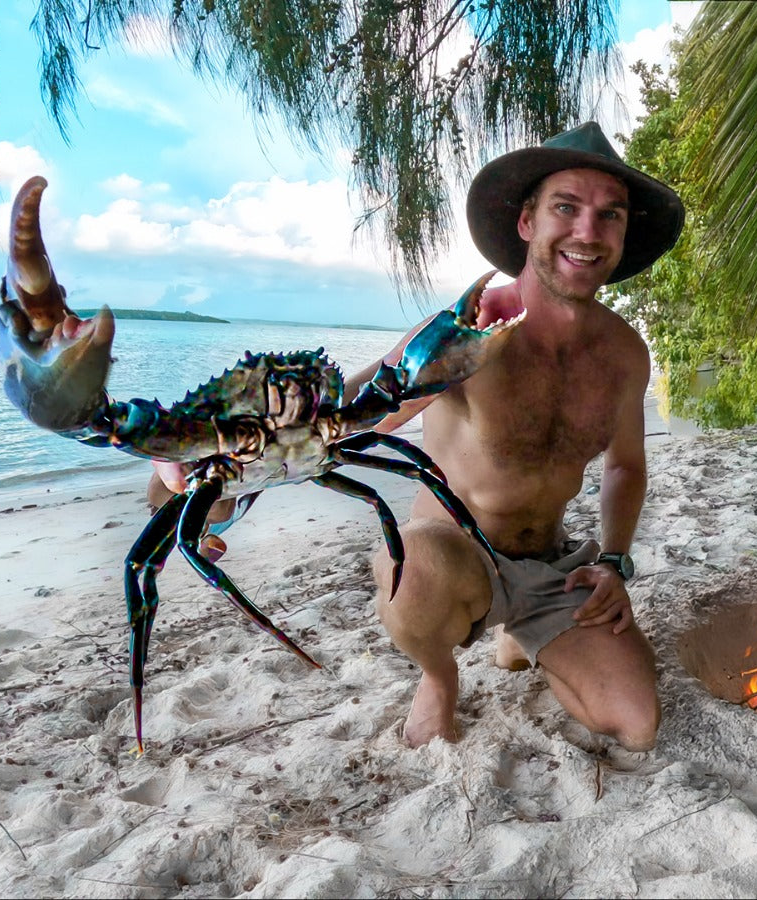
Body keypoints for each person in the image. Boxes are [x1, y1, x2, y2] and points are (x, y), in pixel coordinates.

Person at [152, 122, 684, 749]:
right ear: (526, 225)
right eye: (566, 207)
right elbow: (345, 415)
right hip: (450, 556)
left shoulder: (623, 354)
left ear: (623, 233)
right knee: (416, 572)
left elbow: (625, 466)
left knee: (635, 725)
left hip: (551, 568)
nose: (587, 232)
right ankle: (438, 674)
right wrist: (201, 477)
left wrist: (615, 562)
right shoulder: (469, 330)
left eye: (609, 215)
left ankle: (522, 633)